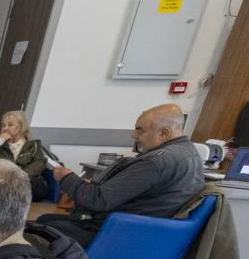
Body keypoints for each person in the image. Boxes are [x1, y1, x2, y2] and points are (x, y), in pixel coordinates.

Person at [38, 103, 205, 247]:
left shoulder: (155, 162)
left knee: (39, 227)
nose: (134, 136)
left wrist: (67, 177)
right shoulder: (190, 155)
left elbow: (98, 200)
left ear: (164, 133)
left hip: (115, 235)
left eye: (140, 131)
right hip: (148, 235)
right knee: (47, 220)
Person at [0, 109, 50, 200]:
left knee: (37, 185)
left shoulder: (33, 145)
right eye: (3, 125)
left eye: (10, 125)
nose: (5, 128)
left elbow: (40, 163)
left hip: (24, 181)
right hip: (3, 181)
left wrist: (19, 175)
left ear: (21, 126)